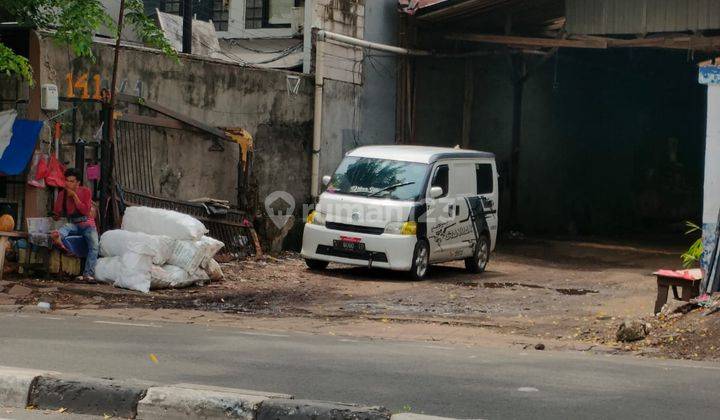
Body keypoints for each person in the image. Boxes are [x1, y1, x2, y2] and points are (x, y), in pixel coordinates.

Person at [51, 168, 98, 282]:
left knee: (94, 246)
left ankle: (88, 274)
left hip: (87, 223)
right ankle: (58, 238)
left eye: (72, 181)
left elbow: (85, 210)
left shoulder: (85, 191)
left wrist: (74, 196)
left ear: (78, 183)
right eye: (67, 181)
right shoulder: (62, 194)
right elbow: (57, 212)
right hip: (73, 223)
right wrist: (55, 215)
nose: (68, 183)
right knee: (64, 229)